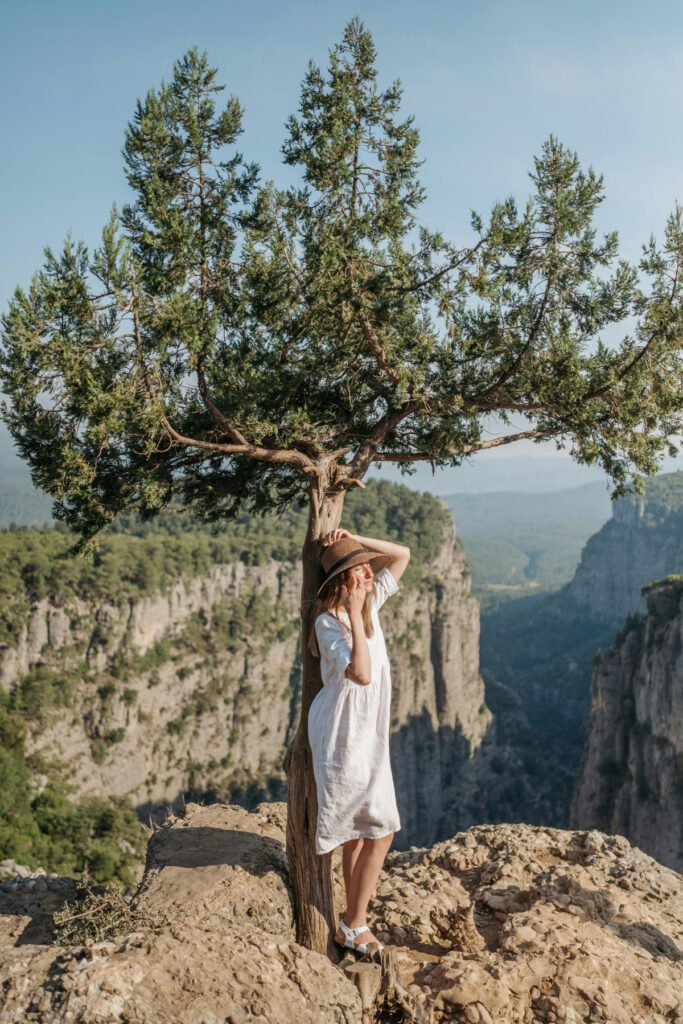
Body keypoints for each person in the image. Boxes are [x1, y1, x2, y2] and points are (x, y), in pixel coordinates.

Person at [308, 527, 410, 959]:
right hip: (342, 736)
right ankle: (355, 923)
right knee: (381, 829)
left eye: (368, 569)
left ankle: (351, 922)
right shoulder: (329, 621)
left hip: (368, 732)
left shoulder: (370, 604)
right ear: (342, 581)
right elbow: (362, 674)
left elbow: (402, 554)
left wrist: (357, 539)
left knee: (363, 831)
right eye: (360, 571)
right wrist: (352, 611)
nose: (370, 576)